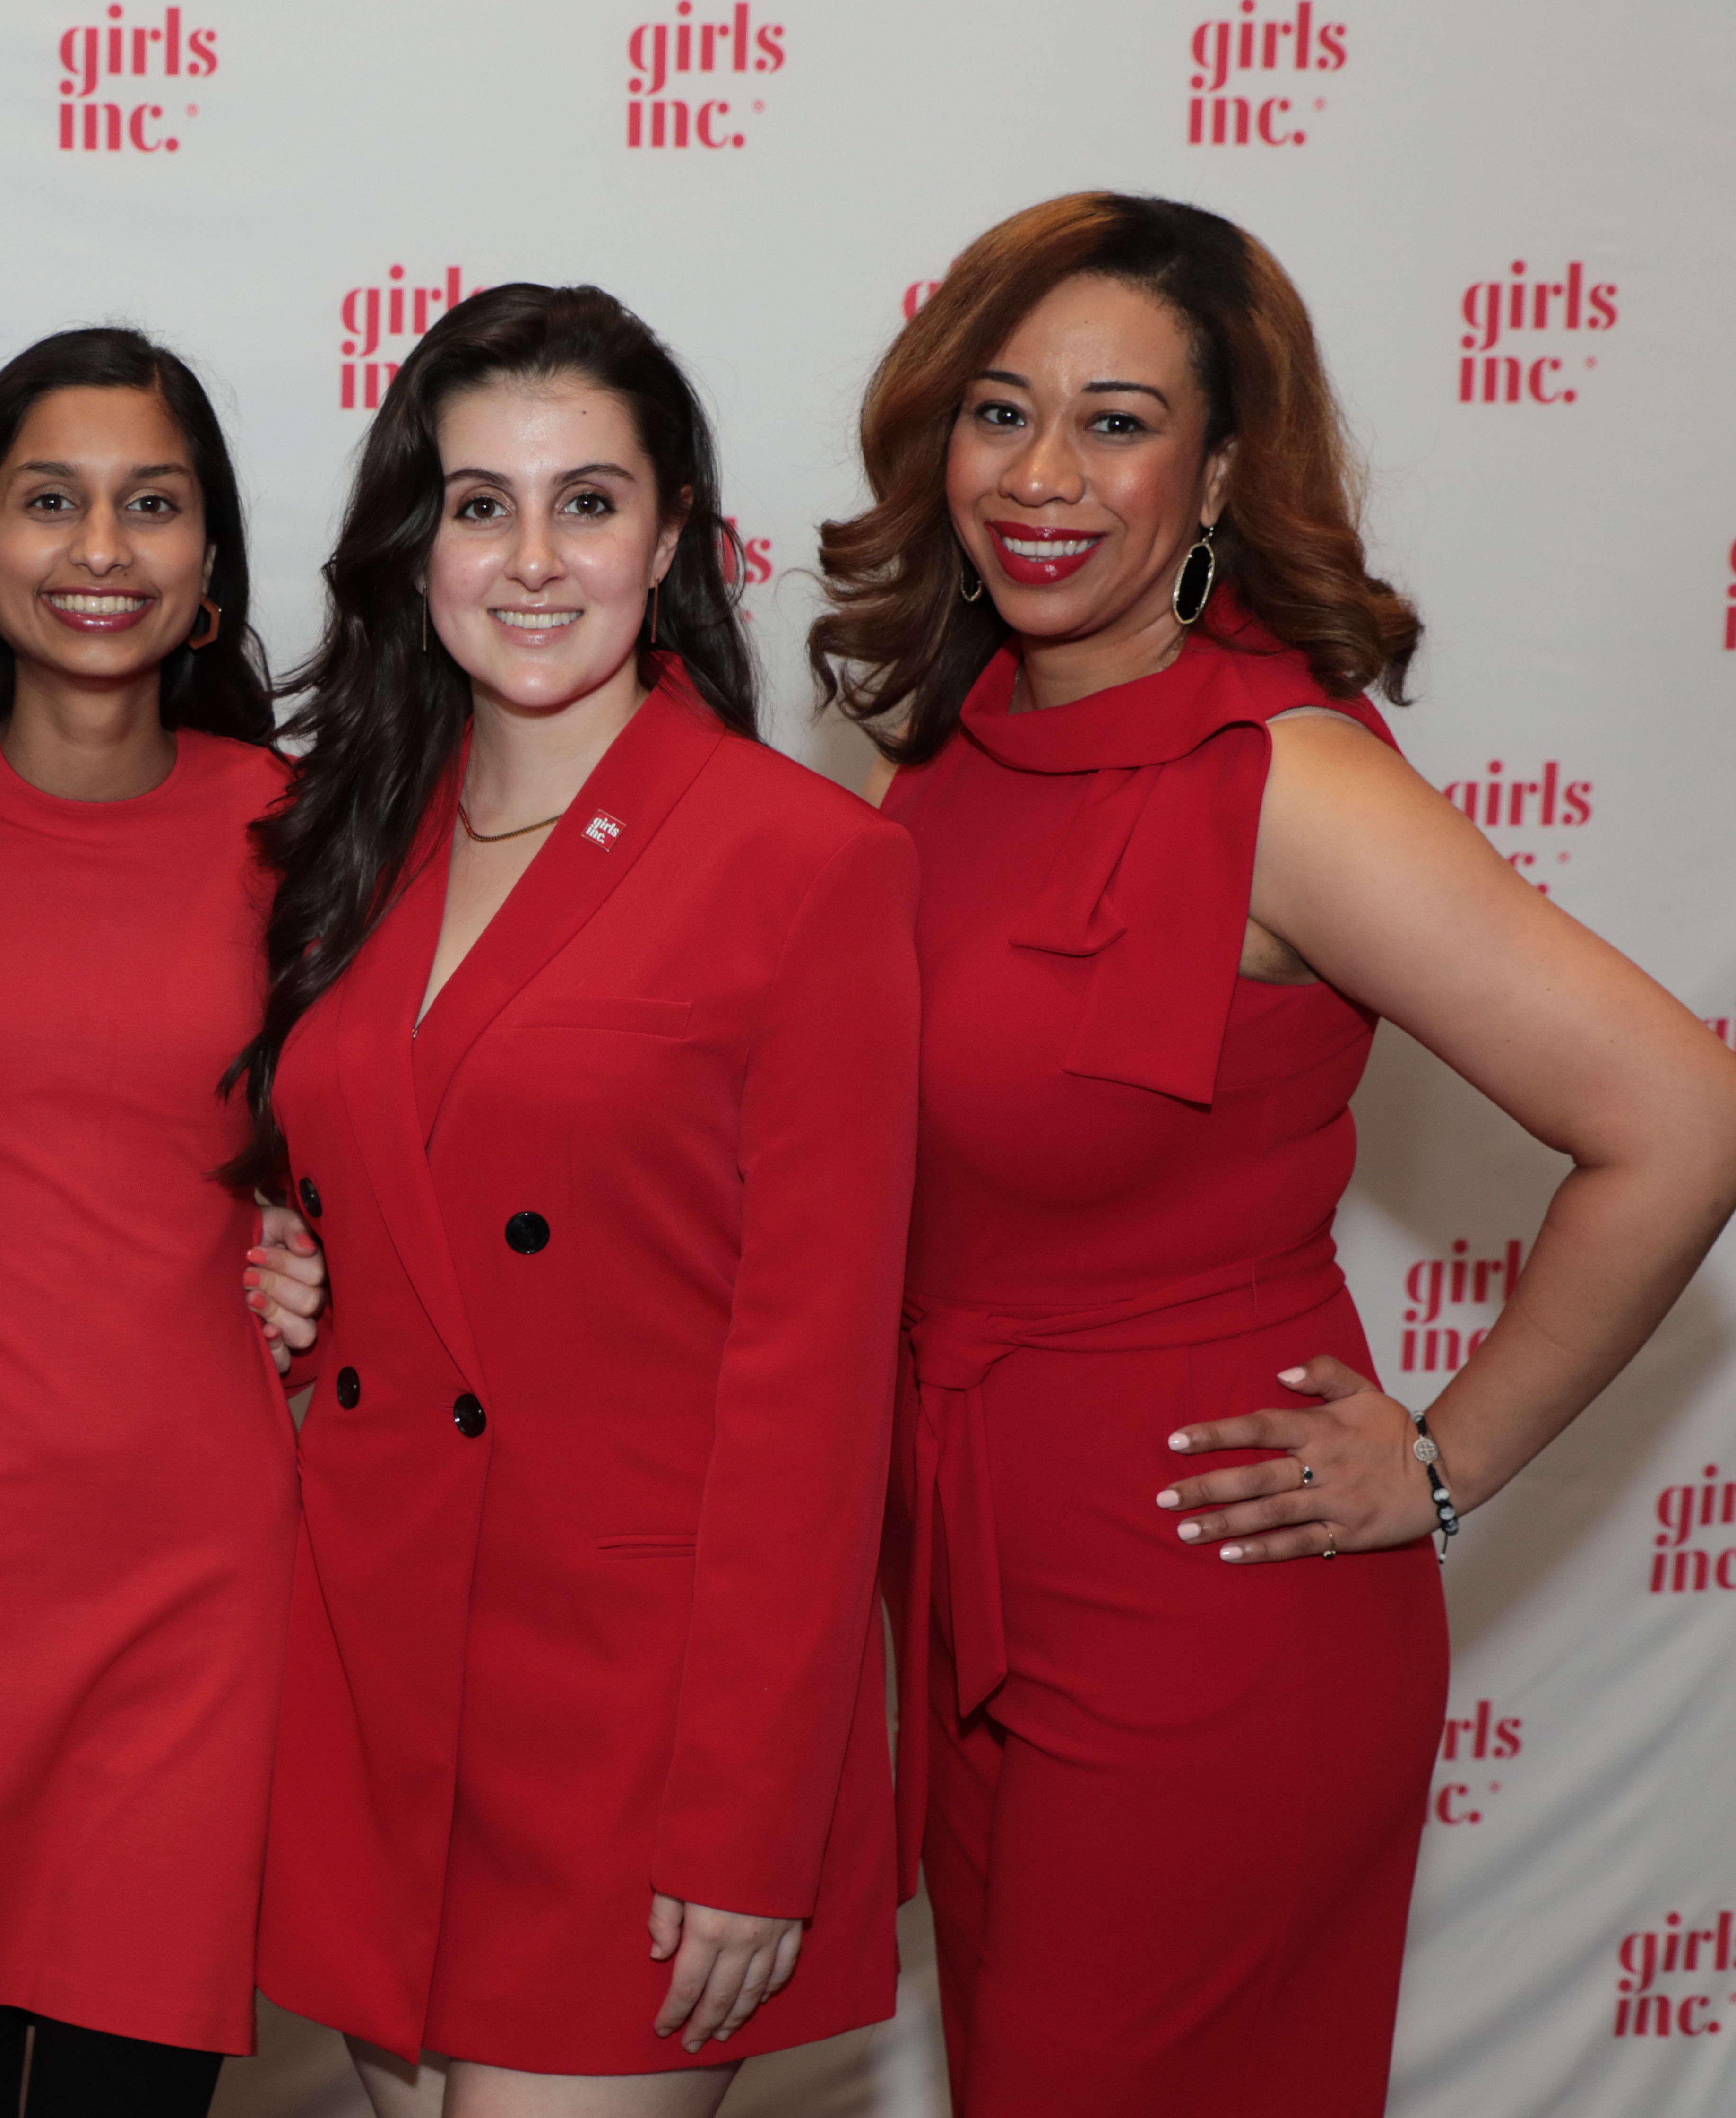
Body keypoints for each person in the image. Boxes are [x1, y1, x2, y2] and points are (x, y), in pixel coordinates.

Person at [809, 192, 1736, 2116]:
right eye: (1000, 411)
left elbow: (1679, 1117)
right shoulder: (952, 739)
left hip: (1206, 1603)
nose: (1043, 475)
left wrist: (1446, 1460)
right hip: (970, 1592)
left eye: (1120, 420)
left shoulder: (1289, 780)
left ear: (1224, 465)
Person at [224, 283, 917, 2116]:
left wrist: (757, 1815)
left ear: (676, 532)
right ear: (415, 541)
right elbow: (392, 1172)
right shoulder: (358, 838)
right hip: (385, 1662)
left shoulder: (808, 865)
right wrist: (298, 1265)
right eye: (479, 505)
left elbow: (819, 1382)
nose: (533, 560)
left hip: (639, 1712)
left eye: (588, 502)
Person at [0, 326, 317, 2118]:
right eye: (51, 501)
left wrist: (326, 1257)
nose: (100, 549)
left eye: (151, 505)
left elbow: (393, 1139)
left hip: (197, 1578)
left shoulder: (306, 831)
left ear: (209, 567)